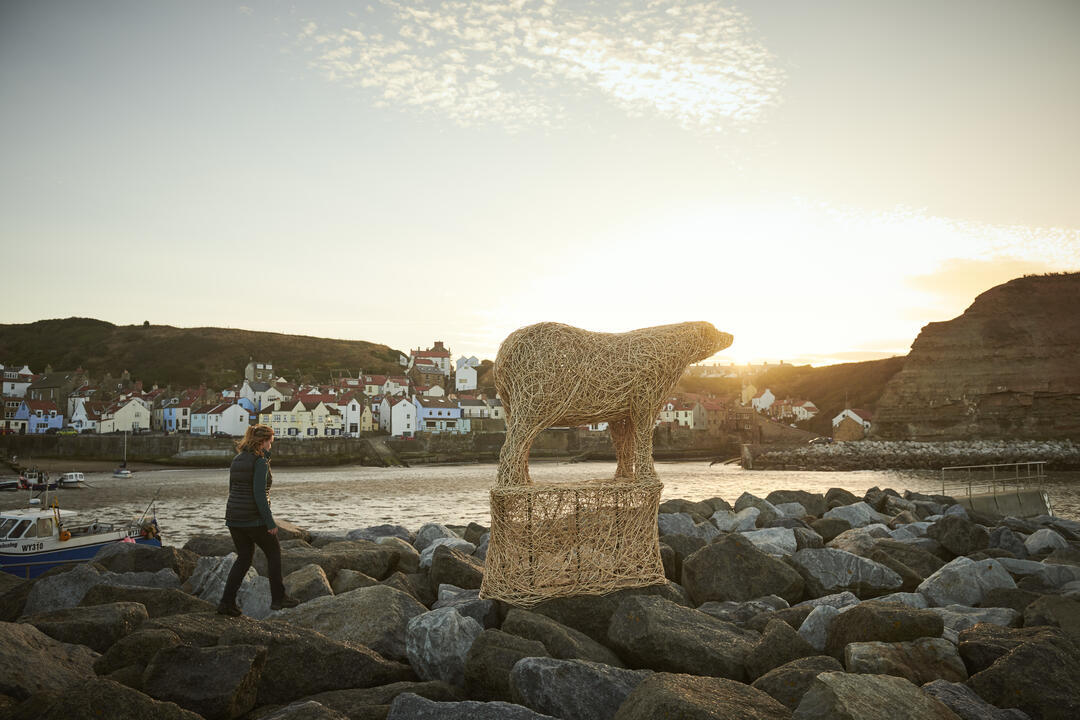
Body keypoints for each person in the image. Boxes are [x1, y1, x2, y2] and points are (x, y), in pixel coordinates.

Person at [217, 423, 298, 616]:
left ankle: (226, 603)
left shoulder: (237, 459)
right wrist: (270, 523)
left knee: (244, 558)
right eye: (270, 442)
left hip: (234, 517)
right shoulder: (259, 461)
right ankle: (278, 599)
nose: (271, 446)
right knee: (273, 552)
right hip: (252, 518)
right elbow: (260, 494)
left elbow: (232, 489)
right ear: (262, 442)